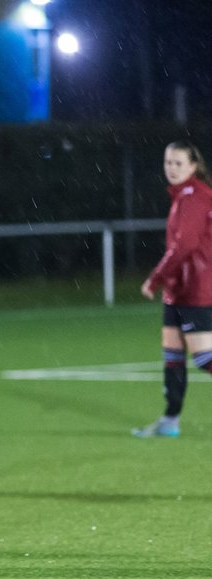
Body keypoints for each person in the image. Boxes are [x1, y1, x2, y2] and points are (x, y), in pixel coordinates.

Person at [132, 141, 212, 438]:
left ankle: (170, 420)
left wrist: (154, 278)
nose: (172, 168)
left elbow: (184, 246)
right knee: (173, 356)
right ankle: (170, 420)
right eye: (168, 162)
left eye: (179, 163)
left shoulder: (194, 196)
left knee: (204, 359)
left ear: (193, 166)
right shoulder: (183, 196)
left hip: (197, 287)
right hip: (178, 289)